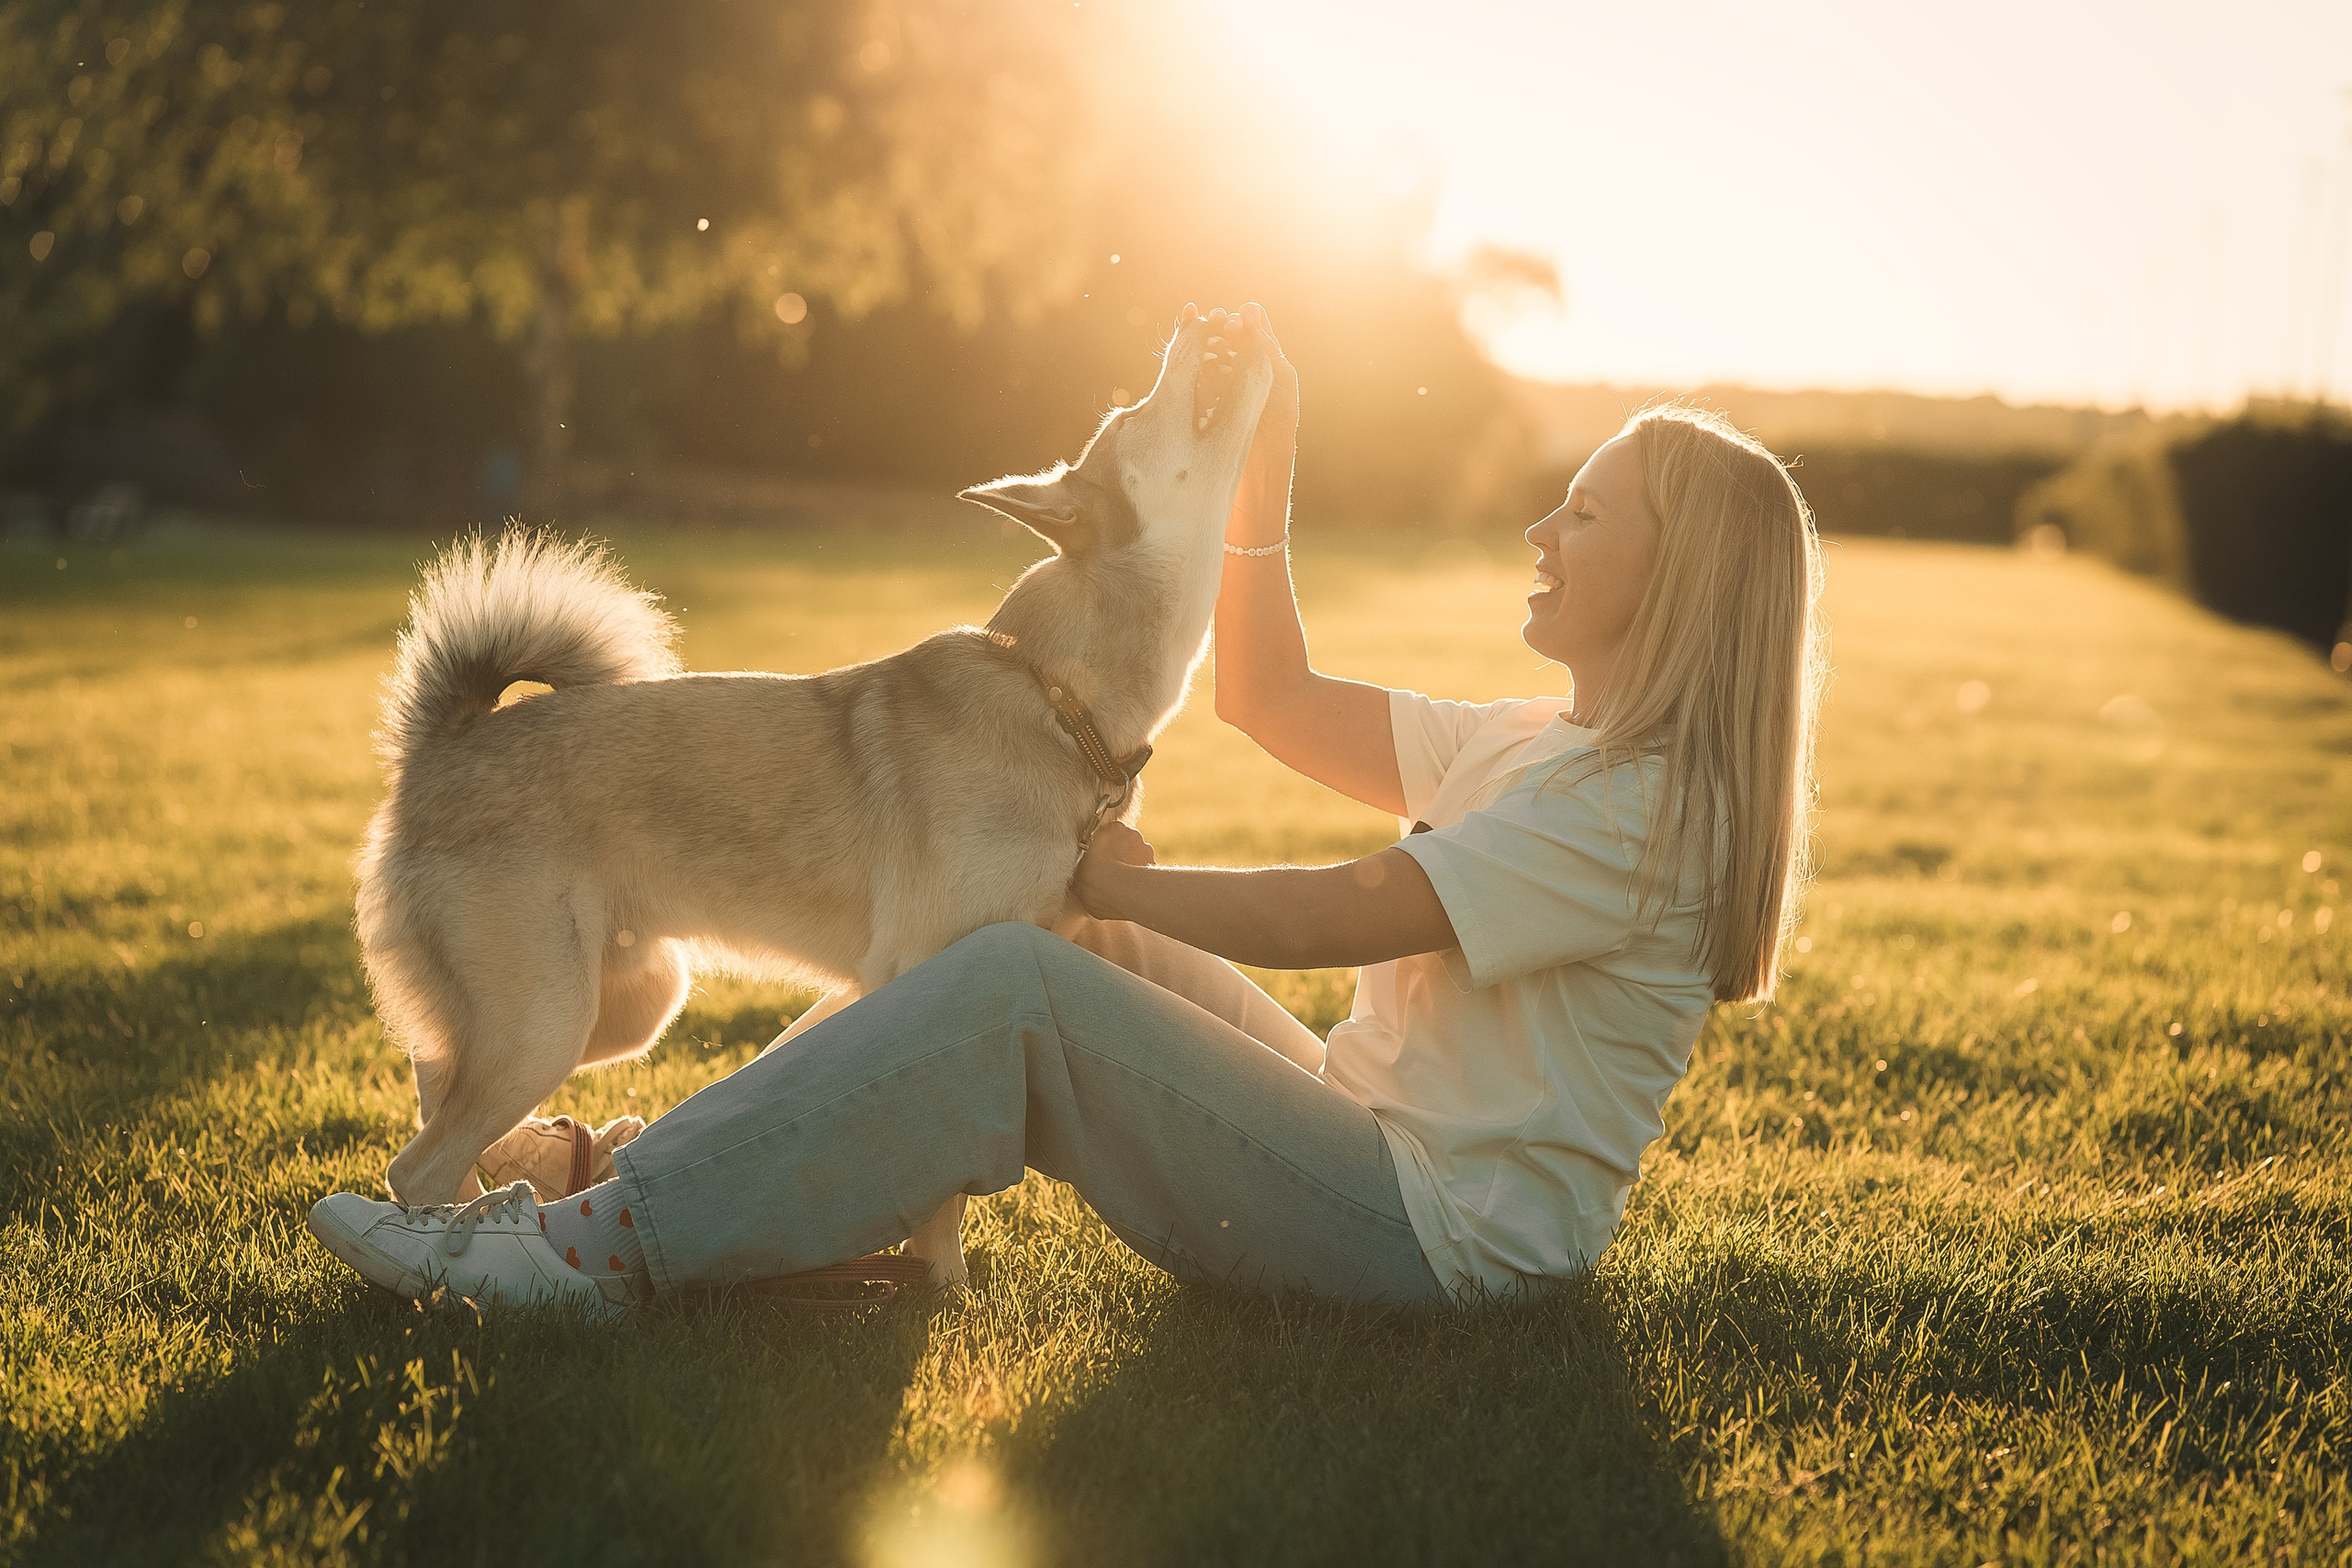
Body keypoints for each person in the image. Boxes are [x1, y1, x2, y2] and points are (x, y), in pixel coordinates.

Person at [307, 303, 1826, 1315]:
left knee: (1036, 955)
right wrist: (1263, 466)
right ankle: (645, 1188)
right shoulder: (1534, 744)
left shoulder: (1647, 812)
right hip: (1364, 1134)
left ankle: (594, 1248)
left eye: (1586, 512)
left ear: (1677, 584)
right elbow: (1273, 701)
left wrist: (1121, 877)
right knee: (1065, 941)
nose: (1538, 528)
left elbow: (1347, 909)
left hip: (1436, 1240)